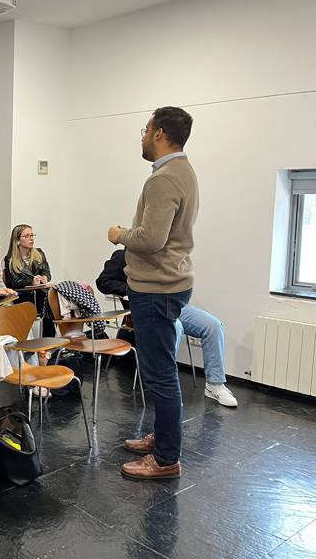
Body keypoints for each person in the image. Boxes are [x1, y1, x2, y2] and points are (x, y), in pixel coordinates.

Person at [108, 106, 198, 480]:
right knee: (161, 371)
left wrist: (119, 236)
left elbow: (151, 238)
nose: (143, 136)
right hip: (169, 284)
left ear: (159, 133)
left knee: (160, 375)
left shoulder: (163, 179)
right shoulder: (183, 171)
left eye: (145, 129)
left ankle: (165, 459)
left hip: (156, 288)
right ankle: (162, 439)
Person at [96, 248, 237, 407]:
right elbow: (103, 281)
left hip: (176, 305)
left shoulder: (164, 256)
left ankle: (214, 385)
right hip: (147, 309)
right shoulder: (124, 255)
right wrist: (134, 290)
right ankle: (169, 391)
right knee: (174, 327)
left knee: (213, 326)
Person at [4, 224, 54, 336]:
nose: (31, 239)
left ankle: (50, 339)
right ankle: (49, 340)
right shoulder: (10, 259)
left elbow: (46, 272)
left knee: (52, 301)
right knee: (50, 303)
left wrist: (45, 278)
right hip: (25, 296)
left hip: (41, 293)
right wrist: (31, 281)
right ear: (17, 240)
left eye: (32, 235)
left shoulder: (39, 253)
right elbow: (13, 282)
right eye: (27, 236)